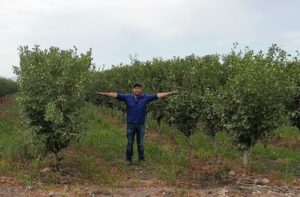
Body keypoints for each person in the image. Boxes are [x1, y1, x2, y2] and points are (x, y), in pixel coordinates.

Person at [96, 83, 177, 165]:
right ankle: (128, 160)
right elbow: (115, 94)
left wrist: (170, 93)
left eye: (138, 88)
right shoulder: (127, 97)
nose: (137, 89)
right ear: (132, 89)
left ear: (141, 90)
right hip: (131, 124)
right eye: (135, 88)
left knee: (141, 143)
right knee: (130, 142)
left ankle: (141, 160)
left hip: (141, 125)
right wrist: (104, 93)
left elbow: (158, 95)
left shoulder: (146, 97)